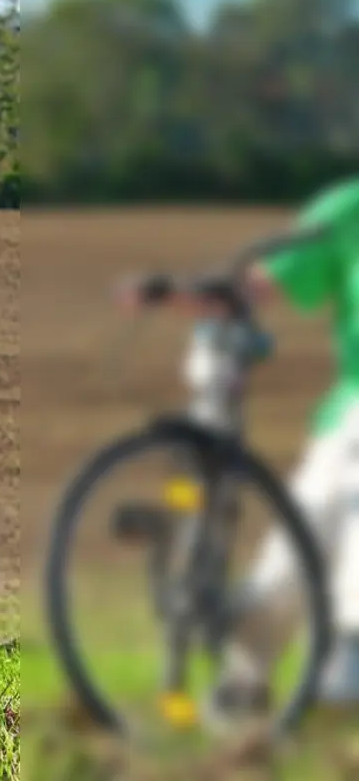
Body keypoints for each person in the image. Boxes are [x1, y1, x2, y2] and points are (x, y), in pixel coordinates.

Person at [119, 177, 359, 714]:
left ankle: (350, 649)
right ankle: (246, 680)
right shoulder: (348, 212)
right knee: (299, 539)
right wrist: (179, 295)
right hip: (351, 417)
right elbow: (259, 287)